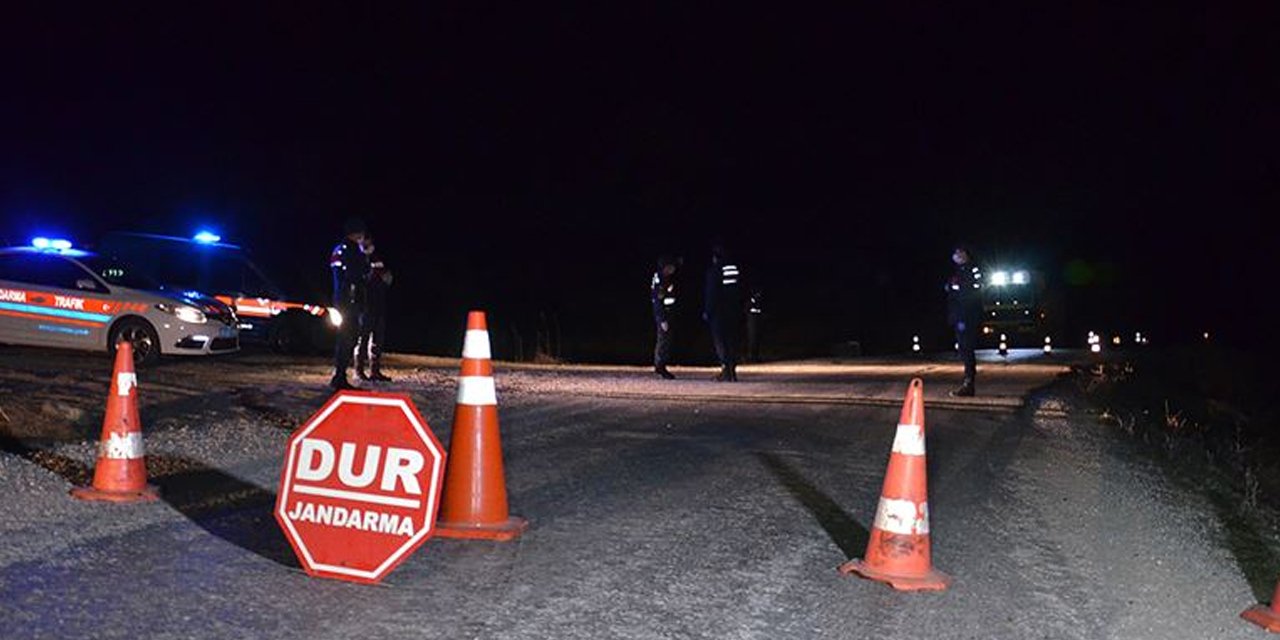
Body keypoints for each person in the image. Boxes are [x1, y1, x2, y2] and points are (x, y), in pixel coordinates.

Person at [328, 218, 370, 390]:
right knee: (347, 338)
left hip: (346, 299)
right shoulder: (349, 250)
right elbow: (356, 275)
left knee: (349, 338)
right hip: (349, 301)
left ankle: (340, 375)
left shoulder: (346, 249)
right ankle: (339, 377)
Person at [945, 245, 984, 396]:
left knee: (967, 348)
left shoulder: (971, 270)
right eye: (955, 253)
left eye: (960, 253)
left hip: (967, 316)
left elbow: (973, 290)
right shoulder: (958, 271)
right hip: (959, 316)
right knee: (963, 349)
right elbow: (952, 289)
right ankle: (968, 382)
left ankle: (969, 383)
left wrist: (956, 288)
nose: (957, 255)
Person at [356, 233, 393, 382]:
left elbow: (386, 277)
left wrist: (387, 279)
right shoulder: (358, 259)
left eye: (369, 240)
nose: (367, 243)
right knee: (363, 338)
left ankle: (375, 370)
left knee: (378, 339)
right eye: (364, 240)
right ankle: (359, 370)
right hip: (364, 304)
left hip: (379, 303)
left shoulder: (377, 258)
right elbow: (358, 280)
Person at [703, 243, 743, 382]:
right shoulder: (734, 269)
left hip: (719, 313)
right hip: (734, 311)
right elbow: (740, 289)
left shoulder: (715, 270)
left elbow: (712, 293)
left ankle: (726, 370)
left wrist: (707, 311)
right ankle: (732, 371)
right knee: (732, 341)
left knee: (721, 342)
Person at [650, 255, 680, 379]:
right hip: (664, 315)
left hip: (667, 314)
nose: (674, 269)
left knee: (665, 339)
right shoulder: (662, 280)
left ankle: (661, 365)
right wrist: (662, 319)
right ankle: (660, 366)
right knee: (663, 340)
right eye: (671, 267)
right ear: (666, 267)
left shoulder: (665, 278)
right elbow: (658, 301)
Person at [745, 286, 763, 363]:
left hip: (757, 320)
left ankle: (755, 355)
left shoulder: (759, 301)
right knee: (752, 338)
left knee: (756, 338)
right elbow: (747, 310)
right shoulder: (750, 302)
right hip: (752, 320)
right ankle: (751, 356)